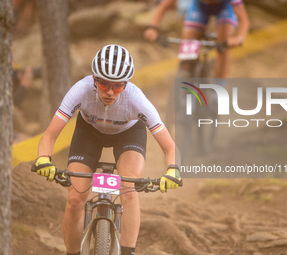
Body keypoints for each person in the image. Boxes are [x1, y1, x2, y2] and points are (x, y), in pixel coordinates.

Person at [32, 44, 182, 255]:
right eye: (104, 84)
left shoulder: (137, 100)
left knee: (128, 188)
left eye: (118, 86)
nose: (110, 92)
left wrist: (172, 170)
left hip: (128, 134)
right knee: (75, 198)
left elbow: (169, 147)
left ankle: (128, 251)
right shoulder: (80, 90)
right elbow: (49, 135)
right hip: (89, 133)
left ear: (126, 84)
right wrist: (43, 159)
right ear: (94, 79)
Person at [144, 0, 250, 79]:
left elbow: (244, 19)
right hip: (199, 7)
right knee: (188, 37)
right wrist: (152, 28)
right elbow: (164, 5)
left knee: (224, 42)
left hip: (225, 8)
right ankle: (186, 71)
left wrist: (239, 38)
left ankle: (218, 90)